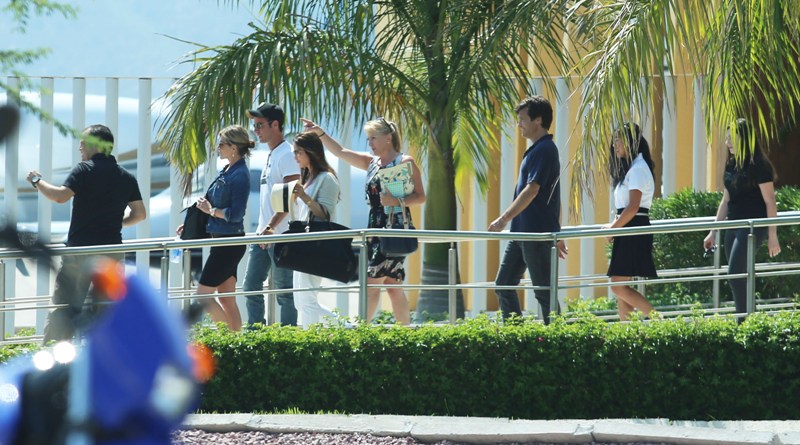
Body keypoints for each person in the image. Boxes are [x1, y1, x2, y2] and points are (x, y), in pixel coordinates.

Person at [26, 124, 146, 343]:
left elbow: (60, 196)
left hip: (80, 252)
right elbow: (140, 214)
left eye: (83, 142)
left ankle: (54, 357)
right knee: (105, 311)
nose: (79, 147)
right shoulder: (126, 176)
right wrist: (116, 223)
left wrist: (37, 181)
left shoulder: (84, 169)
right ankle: (101, 359)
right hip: (111, 253)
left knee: (64, 309)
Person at [301, 117, 425, 325]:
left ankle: (361, 331)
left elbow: (421, 196)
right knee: (393, 286)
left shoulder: (404, 162)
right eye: (368, 139)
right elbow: (341, 152)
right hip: (375, 227)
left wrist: (396, 200)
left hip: (393, 227)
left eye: (373, 138)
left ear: (388, 138)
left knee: (372, 283)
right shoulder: (372, 163)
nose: (370, 143)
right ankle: (404, 332)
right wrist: (319, 133)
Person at [488, 96, 568, 325]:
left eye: (522, 119)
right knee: (504, 285)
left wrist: (503, 219)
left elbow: (532, 190)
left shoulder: (545, 149)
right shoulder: (537, 150)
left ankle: (559, 338)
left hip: (535, 234)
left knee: (544, 292)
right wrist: (558, 231)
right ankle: (517, 335)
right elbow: (554, 195)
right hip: (521, 233)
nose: (519, 124)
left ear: (538, 120)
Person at [703, 118, 781, 319]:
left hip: (752, 225)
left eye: (732, 138)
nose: (727, 142)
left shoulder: (759, 166)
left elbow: (770, 201)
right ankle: (747, 319)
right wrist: (713, 232)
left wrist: (773, 235)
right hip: (734, 225)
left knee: (735, 274)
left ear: (745, 139)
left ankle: (745, 323)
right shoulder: (731, 165)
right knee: (737, 276)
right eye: (727, 138)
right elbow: (726, 200)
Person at [177, 125, 251, 331]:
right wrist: (192, 223)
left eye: (221, 144)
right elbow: (210, 202)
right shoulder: (227, 170)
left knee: (202, 296)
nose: (218, 148)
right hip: (222, 241)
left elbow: (236, 214)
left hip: (229, 243)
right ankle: (237, 341)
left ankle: (225, 339)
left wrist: (211, 211)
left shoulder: (240, 175)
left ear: (234, 147)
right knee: (226, 299)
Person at [243, 103, 301, 326]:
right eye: (254, 126)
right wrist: (265, 229)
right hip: (264, 234)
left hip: (280, 235)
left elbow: (291, 194)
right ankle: (256, 335)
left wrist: (271, 226)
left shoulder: (287, 154)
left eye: (260, 125)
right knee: (250, 286)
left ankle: (287, 337)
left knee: (285, 291)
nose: (255, 130)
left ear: (275, 125)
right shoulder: (272, 154)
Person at [603, 123, 656, 320]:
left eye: (619, 140)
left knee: (617, 285)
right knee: (621, 288)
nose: (615, 145)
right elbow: (625, 208)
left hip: (634, 229)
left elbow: (633, 207)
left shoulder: (638, 169)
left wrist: (612, 229)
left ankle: (659, 321)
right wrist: (615, 226)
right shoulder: (632, 168)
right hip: (627, 228)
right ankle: (627, 331)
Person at [288, 132, 342, 328]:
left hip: (316, 244)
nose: (295, 157)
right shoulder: (308, 177)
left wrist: (304, 197)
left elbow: (325, 214)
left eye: (298, 152)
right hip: (303, 244)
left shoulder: (327, 178)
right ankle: (342, 327)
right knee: (300, 301)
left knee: (307, 299)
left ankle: (342, 328)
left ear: (311, 152)